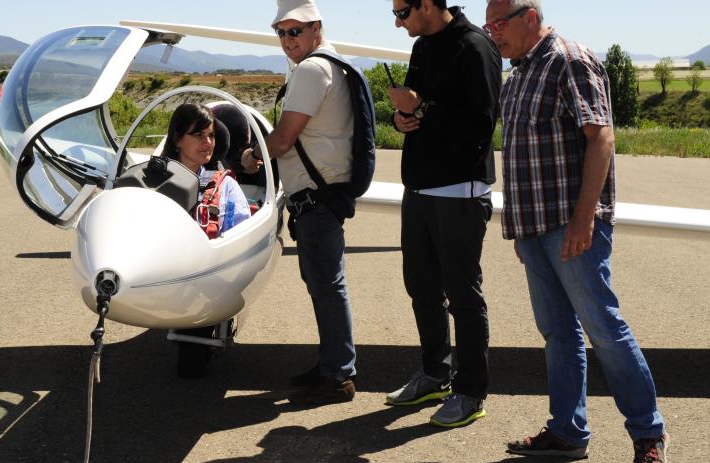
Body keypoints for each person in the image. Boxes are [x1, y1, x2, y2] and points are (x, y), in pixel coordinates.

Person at [485, 0, 668, 463]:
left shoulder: (569, 59)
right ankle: (568, 432)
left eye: (499, 24)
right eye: (488, 26)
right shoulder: (521, 71)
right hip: (534, 227)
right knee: (558, 334)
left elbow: (601, 137)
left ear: (530, 16)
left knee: (604, 330)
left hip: (572, 226)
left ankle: (648, 434)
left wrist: (585, 218)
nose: (493, 34)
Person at [381, 0, 501, 428]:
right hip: (420, 187)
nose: (398, 22)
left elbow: (483, 123)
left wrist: (423, 109)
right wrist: (401, 118)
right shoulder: (423, 47)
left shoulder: (475, 46)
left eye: (401, 13)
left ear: (428, 5)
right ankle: (435, 374)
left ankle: (471, 392)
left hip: (459, 191)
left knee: (463, 296)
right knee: (422, 287)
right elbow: (416, 109)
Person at [240, 0, 356, 405]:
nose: (287, 40)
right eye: (282, 32)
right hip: (326, 193)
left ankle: (339, 375)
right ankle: (332, 365)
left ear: (316, 28)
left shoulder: (310, 70)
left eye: (295, 31)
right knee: (325, 285)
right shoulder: (332, 63)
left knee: (326, 286)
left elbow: (284, 138)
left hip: (316, 198)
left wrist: (253, 155)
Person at [162, 103, 251, 235]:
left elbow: (242, 237)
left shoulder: (227, 186)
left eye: (211, 135)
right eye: (199, 134)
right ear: (176, 139)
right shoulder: (151, 182)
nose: (208, 142)